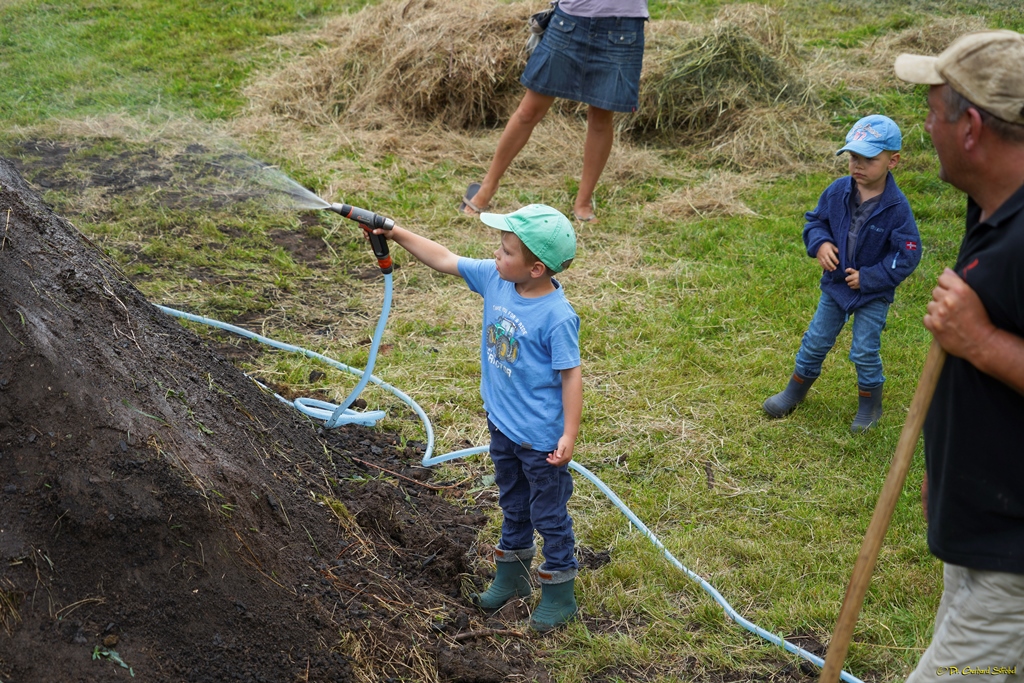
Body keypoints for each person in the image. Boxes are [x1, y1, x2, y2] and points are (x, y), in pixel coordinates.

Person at [371, 204, 583, 632]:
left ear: (536, 268)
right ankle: (512, 579)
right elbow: (445, 258)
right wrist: (396, 232)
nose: (496, 256)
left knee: (549, 515)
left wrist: (569, 434)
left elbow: (571, 376)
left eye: (505, 251)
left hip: (541, 441)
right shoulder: (498, 280)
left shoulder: (557, 317)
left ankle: (560, 592)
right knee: (512, 502)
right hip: (502, 426)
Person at [894, 30, 1024, 683]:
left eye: (933, 108)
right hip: (986, 529)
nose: (924, 125)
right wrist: (949, 475)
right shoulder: (996, 208)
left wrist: (979, 340)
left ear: (970, 125)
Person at [762, 114, 922, 432]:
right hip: (836, 285)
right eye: (853, 157)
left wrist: (871, 278)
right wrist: (820, 243)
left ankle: (869, 405)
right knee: (815, 341)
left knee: (864, 349)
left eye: (869, 159)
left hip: (872, 293)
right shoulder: (838, 192)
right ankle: (794, 392)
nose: (858, 166)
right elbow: (816, 221)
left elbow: (908, 255)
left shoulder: (897, 209)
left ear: (893, 160)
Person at [459, 0, 649, 223]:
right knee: (528, 111)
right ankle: (488, 185)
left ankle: (583, 203)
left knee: (600, 119)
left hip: (622, 28)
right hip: (570, 22)